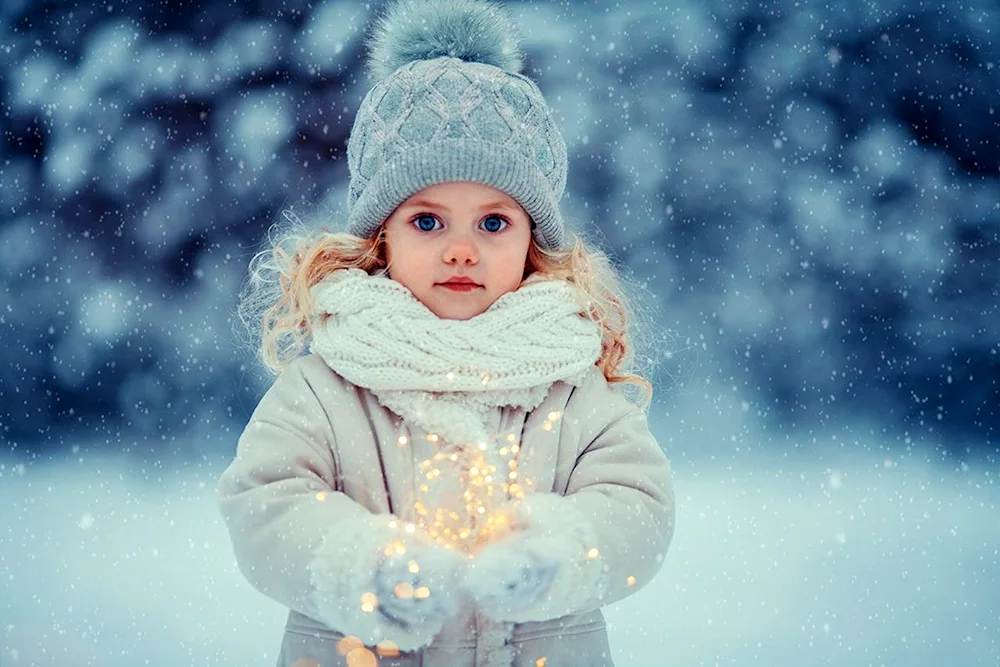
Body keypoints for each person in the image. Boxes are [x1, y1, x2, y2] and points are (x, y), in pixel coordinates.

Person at [216, 0, 675, 665]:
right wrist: (365, 566)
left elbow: (639, 506)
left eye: (493, 223)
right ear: (382, 237)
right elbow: (266, 501)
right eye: (428, 222)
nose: (462, 250)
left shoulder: (570, 386)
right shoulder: (328, 384)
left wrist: (560, 553)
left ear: (532, 242)